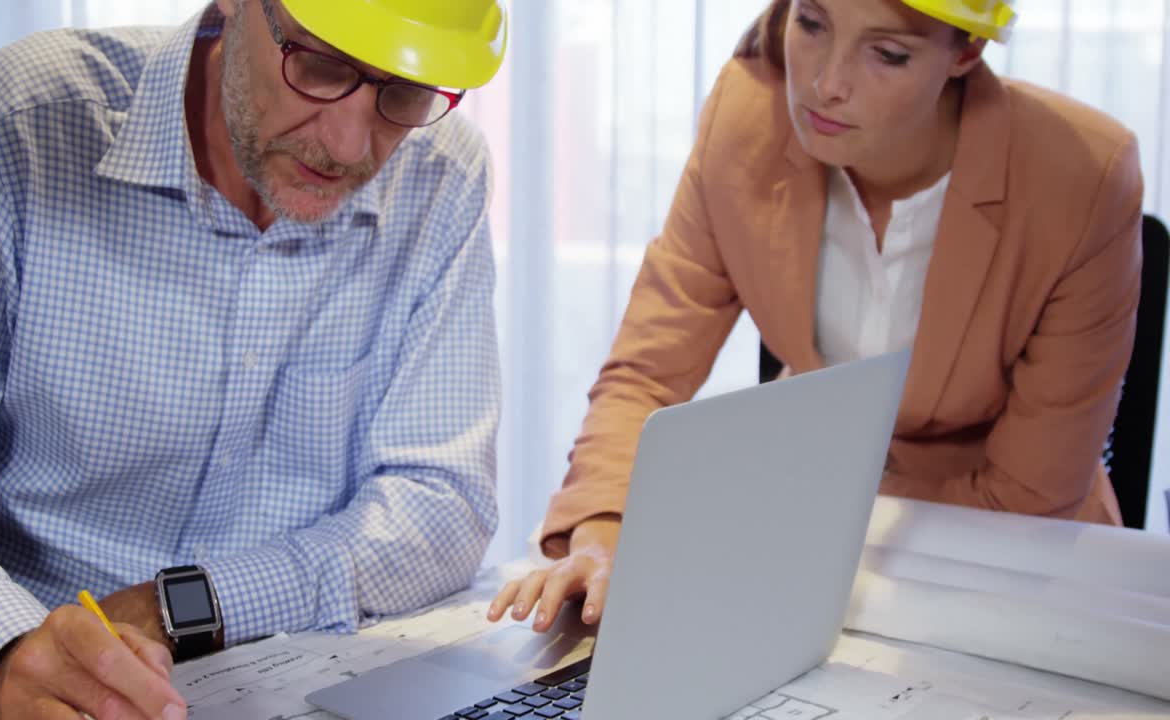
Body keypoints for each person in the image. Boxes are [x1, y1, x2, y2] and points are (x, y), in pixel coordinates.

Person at [0, 0, 507, 717]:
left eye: (404, 92)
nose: (346, 146)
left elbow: (442, 502)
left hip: (292, 684)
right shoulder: (16, 126)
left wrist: (181, 607)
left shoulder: (442, 173)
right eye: (318, 66)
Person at [489, 0, 1143, 634]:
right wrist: (603, 530)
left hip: (1008, 568)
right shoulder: (749, 113)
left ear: (966, 51)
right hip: (803, 541)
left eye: (888, 54)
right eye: (811, 22)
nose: (826, 83)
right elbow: (647, 374)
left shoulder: (1083, 174)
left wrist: (787, 536)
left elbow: (1028, 496)